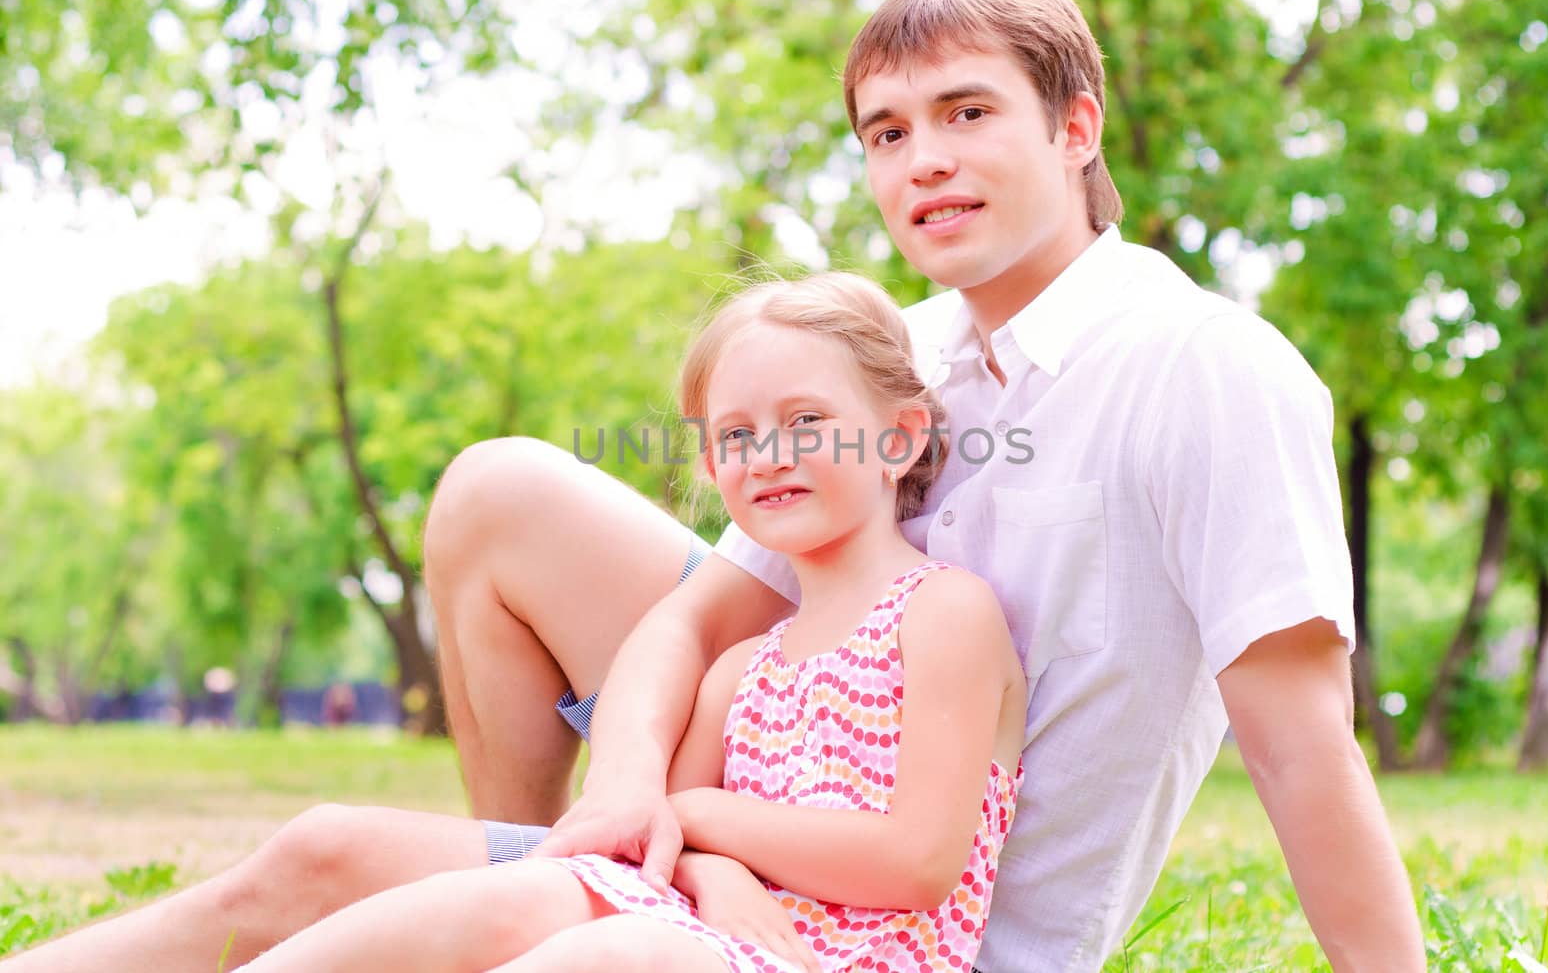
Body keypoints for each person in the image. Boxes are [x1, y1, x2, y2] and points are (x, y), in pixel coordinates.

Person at [0, 0, 1424, 972]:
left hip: (912, 915)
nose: (922, 160)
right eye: (887, 131)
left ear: (1075, 127)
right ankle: (564, 869)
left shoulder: (1203, 367)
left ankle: (584, 904)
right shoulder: (901, 346)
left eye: (969, 113)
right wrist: (631, 800)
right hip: (740, 830)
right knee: (375, 736)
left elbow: (1304, 744)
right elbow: (705, 616)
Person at [229, 273, 1026, 973]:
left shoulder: (942, 612)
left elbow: (919, 859)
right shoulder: (740, 670)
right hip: (708, 925)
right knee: (501, 901)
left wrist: (703, 818)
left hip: (840, 955)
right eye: (738, 435)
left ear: (900, 436)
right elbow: (658, 842)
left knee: (616, 952)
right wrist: (713, 868)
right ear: (713, 469)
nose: (769, 453)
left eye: (807, 421)